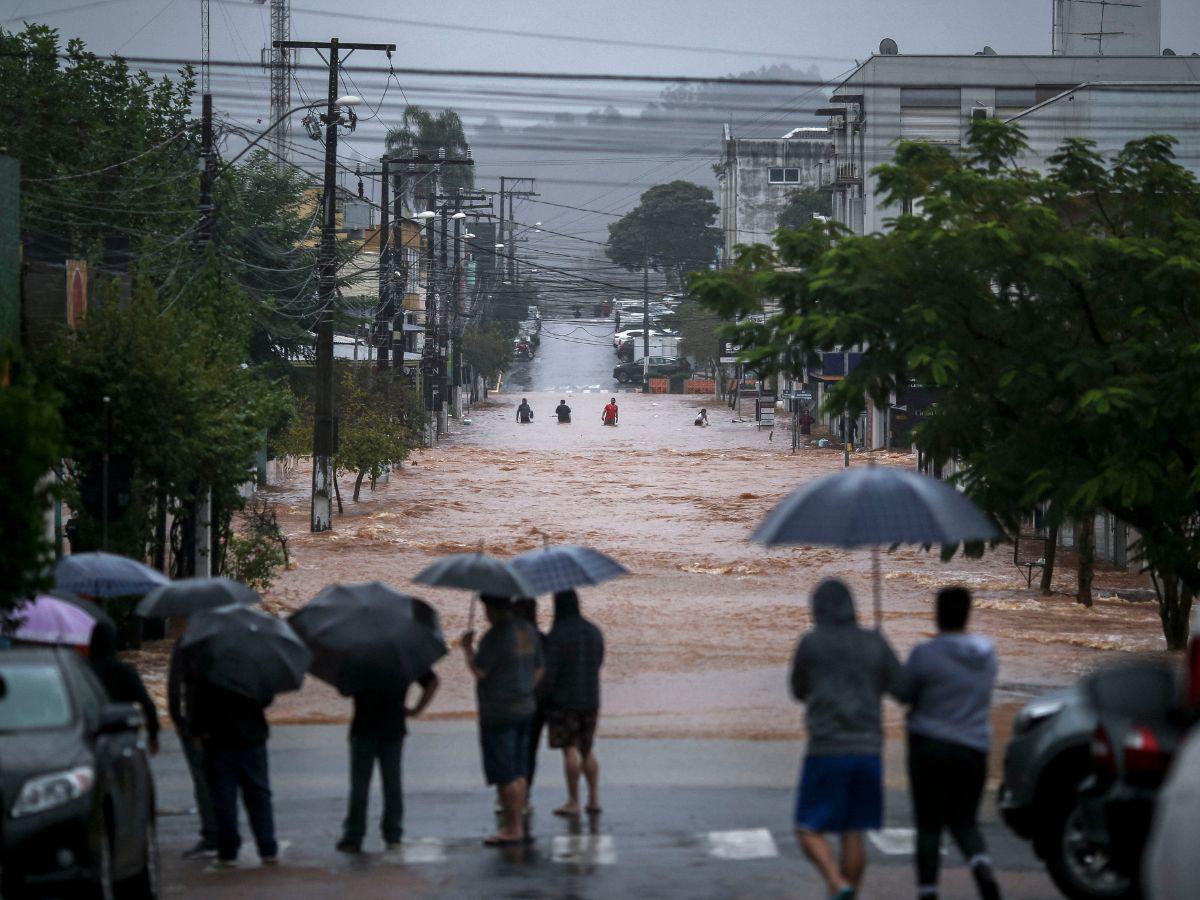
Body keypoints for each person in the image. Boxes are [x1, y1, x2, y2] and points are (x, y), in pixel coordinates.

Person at [790, 579, 908, 900]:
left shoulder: (810, 643)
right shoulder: (874, 643)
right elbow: (902, 689)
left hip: (826, 749)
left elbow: (798, 691)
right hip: (868, 750)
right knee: (853, 831)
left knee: (807, 828)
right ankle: (849, 894)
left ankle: (835, 881)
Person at [905, 588, 1002, 900]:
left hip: (929, 749)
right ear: (967, 614)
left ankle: (928, 891)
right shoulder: (986, 654)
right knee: (965, 822)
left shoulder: (925, 654)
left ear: (937, 613)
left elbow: (905, 694)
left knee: (929, 825)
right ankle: (982, 866)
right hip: (973, 749)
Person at [461, 595, 544, 846]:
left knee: (504, 772)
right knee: (519, 769)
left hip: (498, 711)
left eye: (487, 608)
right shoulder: (528, 630)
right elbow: (539, 667)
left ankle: (513, 828)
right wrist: (526, 689)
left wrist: (467, 649)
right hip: (526, 707)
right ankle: (516, 822)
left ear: (493, 609)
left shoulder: (495, 636)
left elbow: (479, 671)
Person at [337, 662, 440, 853]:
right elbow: (433, 681)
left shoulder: (360, 657)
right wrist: (416, 710)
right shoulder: (403, 658)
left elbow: (344, 690)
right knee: (392, 784)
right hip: (393, 727)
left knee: (360, 786)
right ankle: (393, 835)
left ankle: (354, 836)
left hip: (363, 728)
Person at [191, 669, 278, 867]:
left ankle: (228, 851)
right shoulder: (252, 662)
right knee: (258, 793)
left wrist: (196, 731)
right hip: (252, 736)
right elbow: (266, 697)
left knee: (223, 798)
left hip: (217, 739)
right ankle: (267, 848)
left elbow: (197, 702)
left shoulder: (208, 663)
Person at [543, 590, 605, 818]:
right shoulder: (594, 631)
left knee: (570, 749)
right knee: (587, 749)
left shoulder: (558, 634)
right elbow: (598, 662)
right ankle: (594, 799)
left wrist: (545, 696)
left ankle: (574, 801)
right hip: (591, 698)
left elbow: (550, 672)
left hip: (564, 700)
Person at [168, 626, 219, 858]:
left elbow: (174, 684)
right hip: (224, 720)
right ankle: (226, 832)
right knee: (223, 779)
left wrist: (178, 719)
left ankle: (211, 834)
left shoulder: (186, 641)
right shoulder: (226, 639)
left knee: (202, 779)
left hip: (195, 722)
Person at [89, 620, 160, 756]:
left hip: (91, 736)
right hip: (123, 735)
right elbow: (147, 704)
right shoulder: (125, 671)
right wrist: (153, 735)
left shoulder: (84, 671)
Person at [512, 598, 547, 798]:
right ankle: (525, 796)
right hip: (538, 704)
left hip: (514, 702)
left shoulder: (510, 638)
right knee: (531, 750)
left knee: (512, 747)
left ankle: (509, 797)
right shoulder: (541, 638)